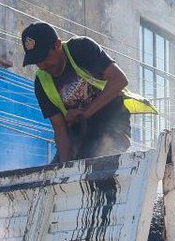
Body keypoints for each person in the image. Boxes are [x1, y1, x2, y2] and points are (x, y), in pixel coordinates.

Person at [20, 22, 157, 163]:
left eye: (44, 58)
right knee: (53, 176)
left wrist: (85, 113)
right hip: (80, 134)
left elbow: (119, 80)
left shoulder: (81, 49)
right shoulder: (41, 82)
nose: (43, 66)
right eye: (36, 61)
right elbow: (60, 130)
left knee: (94, 161)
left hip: (111, 122)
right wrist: (64, 170)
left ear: (57, 45)